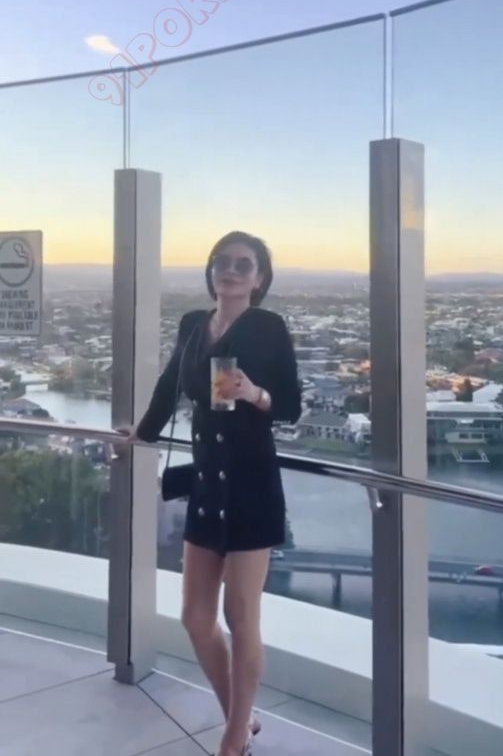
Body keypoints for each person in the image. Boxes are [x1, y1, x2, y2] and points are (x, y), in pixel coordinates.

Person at [132, 231, 302, 756]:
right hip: (207, 483)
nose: (229, 270)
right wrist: (139, 436)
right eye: (221, 262)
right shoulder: (193, 325)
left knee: (241, 617)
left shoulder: (267, 327)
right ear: (210, 271)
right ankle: (240, 716)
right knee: (195, 617)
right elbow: (169, 386)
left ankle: (234, 736)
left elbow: (291, 405)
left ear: (259, 278)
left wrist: (254, 393)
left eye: (243, 264)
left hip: (251, 484)